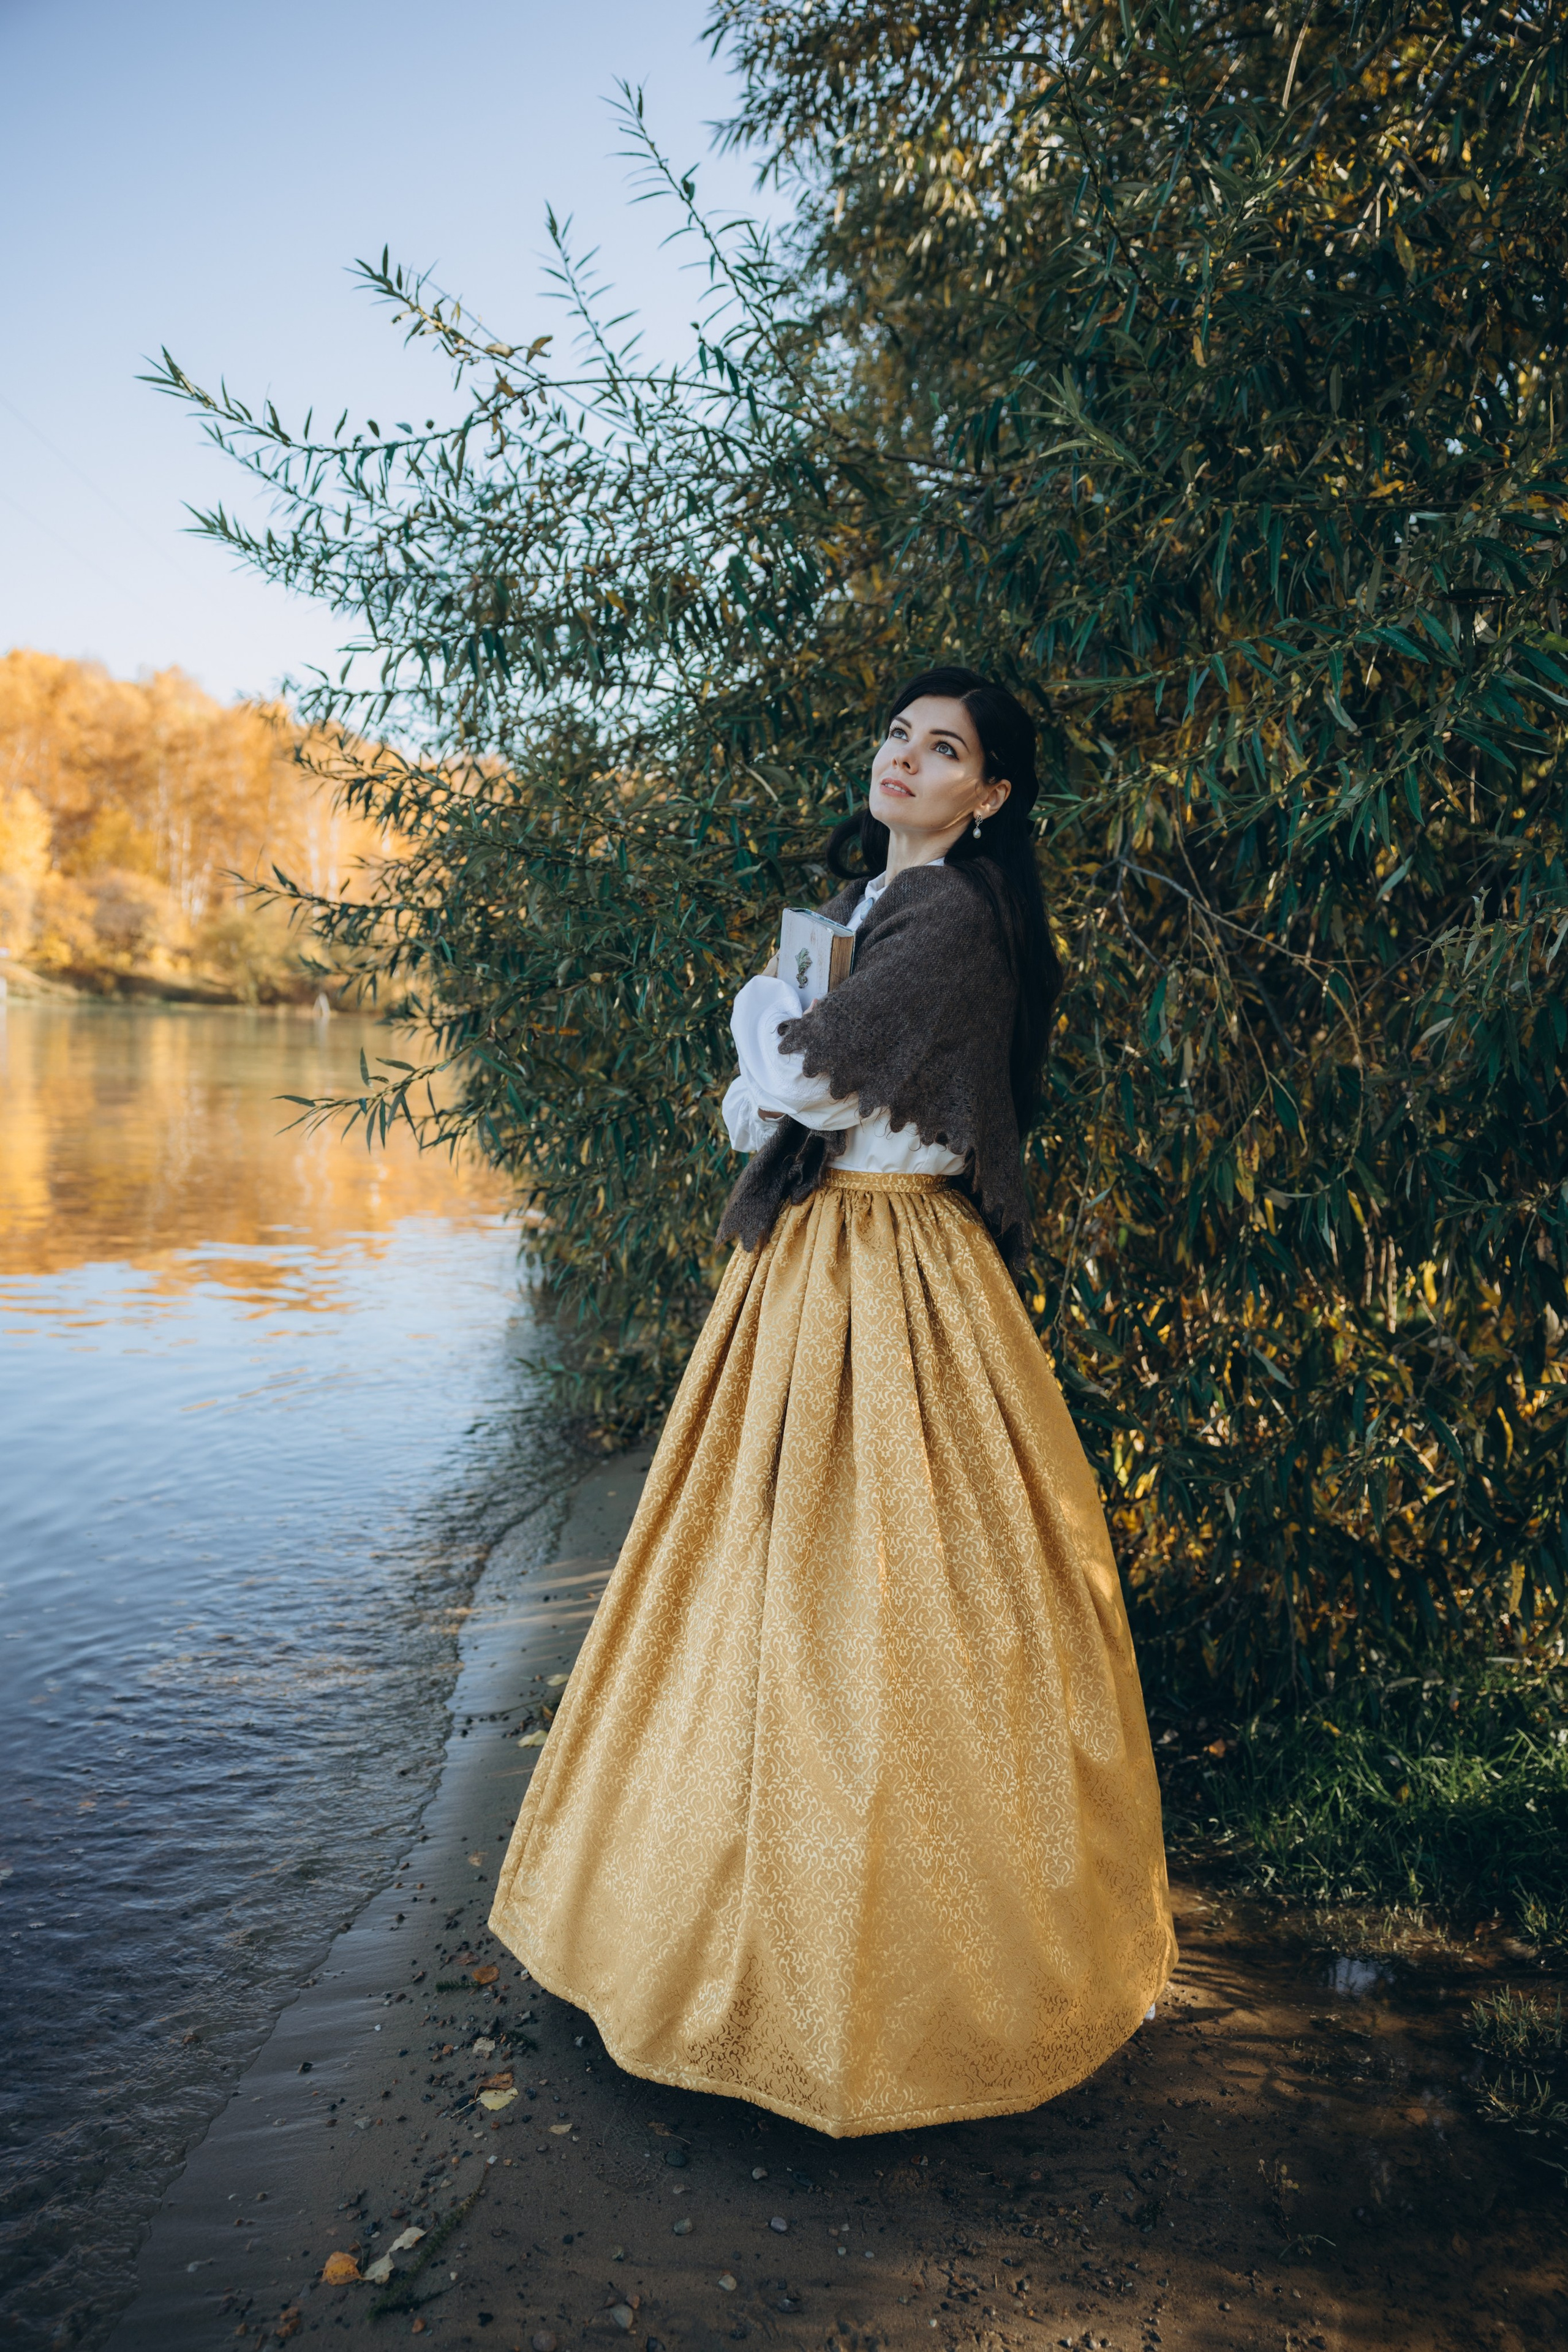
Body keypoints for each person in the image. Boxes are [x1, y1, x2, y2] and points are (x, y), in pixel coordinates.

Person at [489, 666, 1175, 2138]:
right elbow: (778, 1104)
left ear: (991, 795)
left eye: (944, 751)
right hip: (828, 1262)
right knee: (788, 1578)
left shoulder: (946, 918)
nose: (906, 762)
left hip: (886, 1270)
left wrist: (759, 1011)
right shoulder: (878, 912)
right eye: (895, 738)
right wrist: (781, 1047)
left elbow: (792, 1080)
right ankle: (746, 1923)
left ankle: (869, 1981)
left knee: (853, 1584)